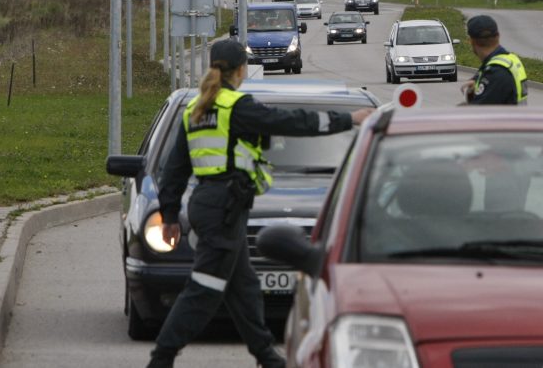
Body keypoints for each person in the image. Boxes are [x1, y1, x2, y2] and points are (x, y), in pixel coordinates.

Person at [146, 39, 374, 368]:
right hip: (223, 207)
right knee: (205, 288)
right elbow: (291, 122)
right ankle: (161, 359)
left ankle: (267, 357)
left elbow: (175, 171)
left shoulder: (196, 109)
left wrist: (169, 216)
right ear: (241, 70)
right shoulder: (237, 106)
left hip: (212, 204)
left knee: (244, 287)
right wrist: (348, 120)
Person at [461, 14, 527, 105]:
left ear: (472, 41)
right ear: (498, 36)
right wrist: (477, 80)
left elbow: (477, 114)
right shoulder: (510, 60)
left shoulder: (496, 72)